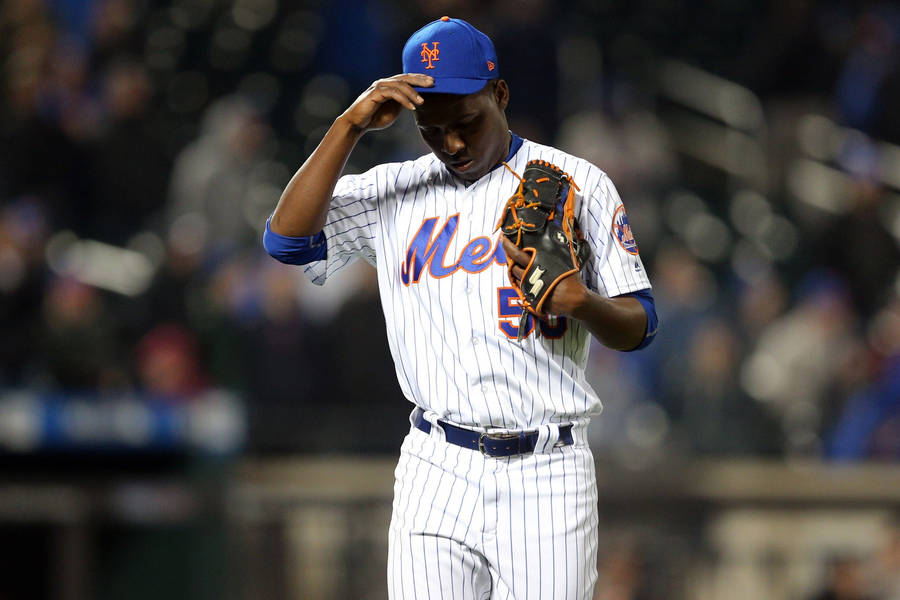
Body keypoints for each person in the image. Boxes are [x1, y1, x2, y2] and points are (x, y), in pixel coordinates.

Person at [263, 16, 657, 599]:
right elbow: (286, 241)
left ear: (500, 94)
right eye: (433, 129)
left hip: (546, 467)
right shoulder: (391, 190)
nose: (452, 144)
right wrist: (348, 127)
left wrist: (583, 303)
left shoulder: (578, 183)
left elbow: (641, 325)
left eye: (467, 123)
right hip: (436, 462)